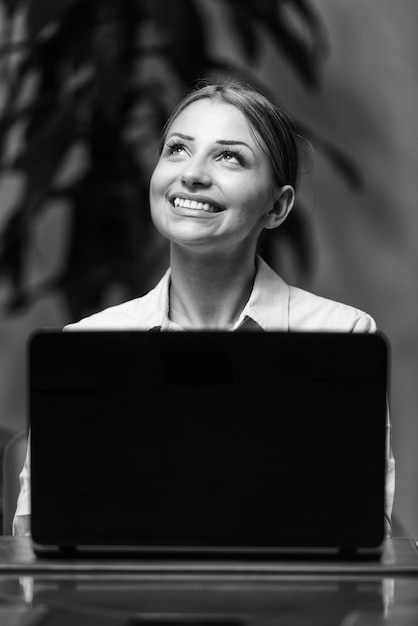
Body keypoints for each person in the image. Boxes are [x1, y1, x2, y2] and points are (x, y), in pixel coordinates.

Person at [13, 77, 395, 537]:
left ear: (277, 207)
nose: (191, 173)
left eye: (229, 155)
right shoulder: (84, 347)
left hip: (289, 606)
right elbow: (33, 536)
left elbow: (359, 525)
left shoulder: (344, 335)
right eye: (177, 148)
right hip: (121, 605)